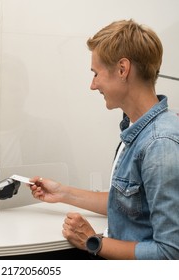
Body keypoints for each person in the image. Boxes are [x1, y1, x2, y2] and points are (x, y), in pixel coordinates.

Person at [29, 19, 179, 259]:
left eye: (96, 73)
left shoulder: (160, 144)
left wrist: (93, 243)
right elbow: (131, 205)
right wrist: (62, 193)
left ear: (122, 69)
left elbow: (170, 255)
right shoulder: (139, 130)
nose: (92, 85)